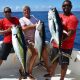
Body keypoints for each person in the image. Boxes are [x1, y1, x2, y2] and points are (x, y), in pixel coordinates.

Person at [44, 0, 78, 80]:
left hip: (66, 46)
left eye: (68, 5)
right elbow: (54, 26)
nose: (66, 7)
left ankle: (61, 79)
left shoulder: (73, 19)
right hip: (56, 43)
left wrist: (60, 41)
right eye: (64, 6)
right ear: (62, 7)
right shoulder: (59, 16)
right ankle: (51, 74)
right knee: (54, 61)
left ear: (71, 7)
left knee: (64, 64)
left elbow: (70, 34)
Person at [19, 5, 49, 78]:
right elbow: (23, 28)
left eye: (28, 10)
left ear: (30, 11)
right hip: (28, 41)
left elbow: (39, 22)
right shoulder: (21, 19)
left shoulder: (33, 17)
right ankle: (29, 72)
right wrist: (35, 26)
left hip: (37, 39)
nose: (26, 11)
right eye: (25, 10)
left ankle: (48, 68)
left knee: (44, 51)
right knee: (35, 53)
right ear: (23, 12)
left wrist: (40, 22)